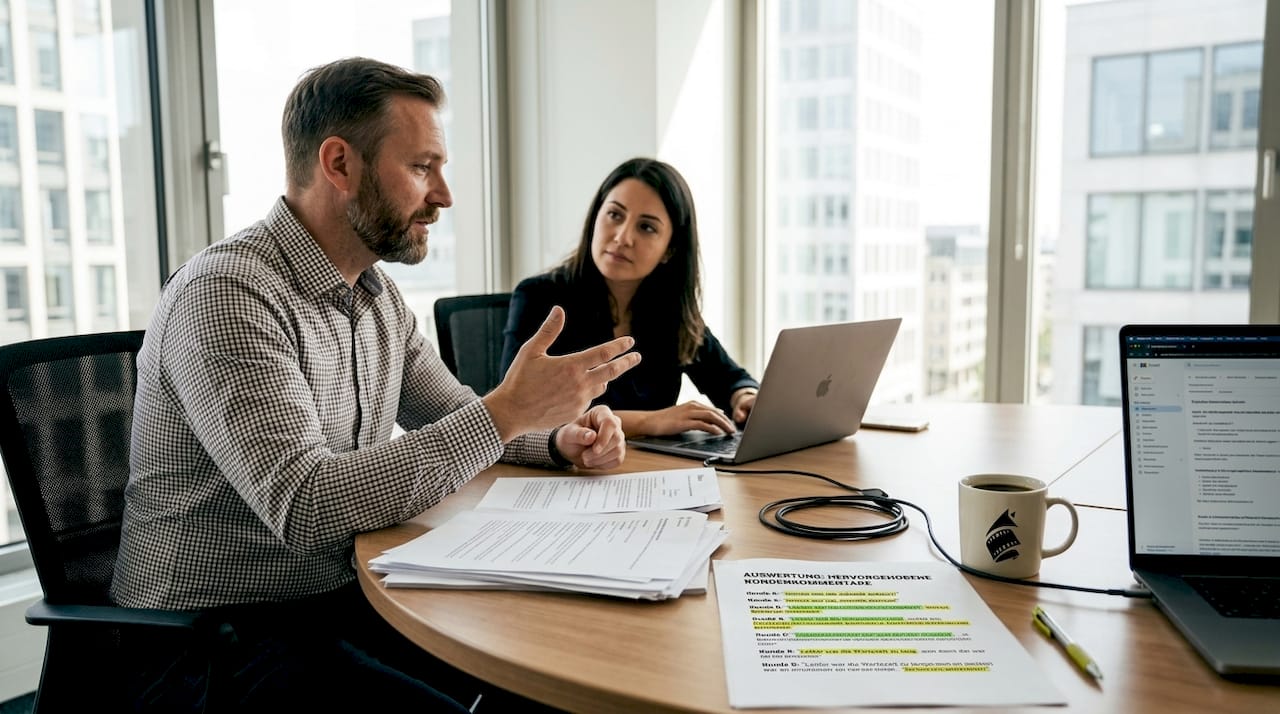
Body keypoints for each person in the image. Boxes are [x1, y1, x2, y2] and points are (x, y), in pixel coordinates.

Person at [110, 57, 640, 712]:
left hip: (336, 602)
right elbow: (305, 505)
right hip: (206, 643)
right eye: (422, 168)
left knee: (539, 676)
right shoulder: (227, 295)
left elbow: (456, 417)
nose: (443, 196)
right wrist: (508, 413)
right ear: (340, 165)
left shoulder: (377, 298)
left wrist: (558, 438)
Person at [501, 157, 758, 438]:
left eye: (646, 227)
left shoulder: (669, 308)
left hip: (649, 473)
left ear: (669, 250)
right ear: (596, 217)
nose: (623, 237)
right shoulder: (539, 297)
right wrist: (650, 422)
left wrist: (744, 397)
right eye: (615, 215)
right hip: (564, 474)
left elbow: (729, 378)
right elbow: (517, 414)